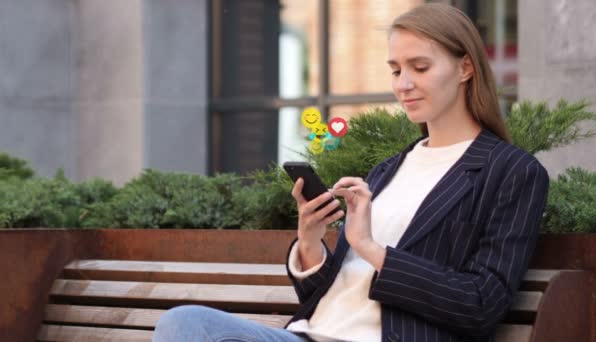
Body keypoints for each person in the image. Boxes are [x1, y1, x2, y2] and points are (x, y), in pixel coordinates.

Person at [152, 3, 550, 342]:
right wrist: (310, 244)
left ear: (465, 68)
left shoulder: (511, 172)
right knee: (185, 324)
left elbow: (481, 304)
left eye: (420, 67)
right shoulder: (389, 169)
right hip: (311, 332)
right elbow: (328, 292)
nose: (404, 84)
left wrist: (375, 250)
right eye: (395, 70)